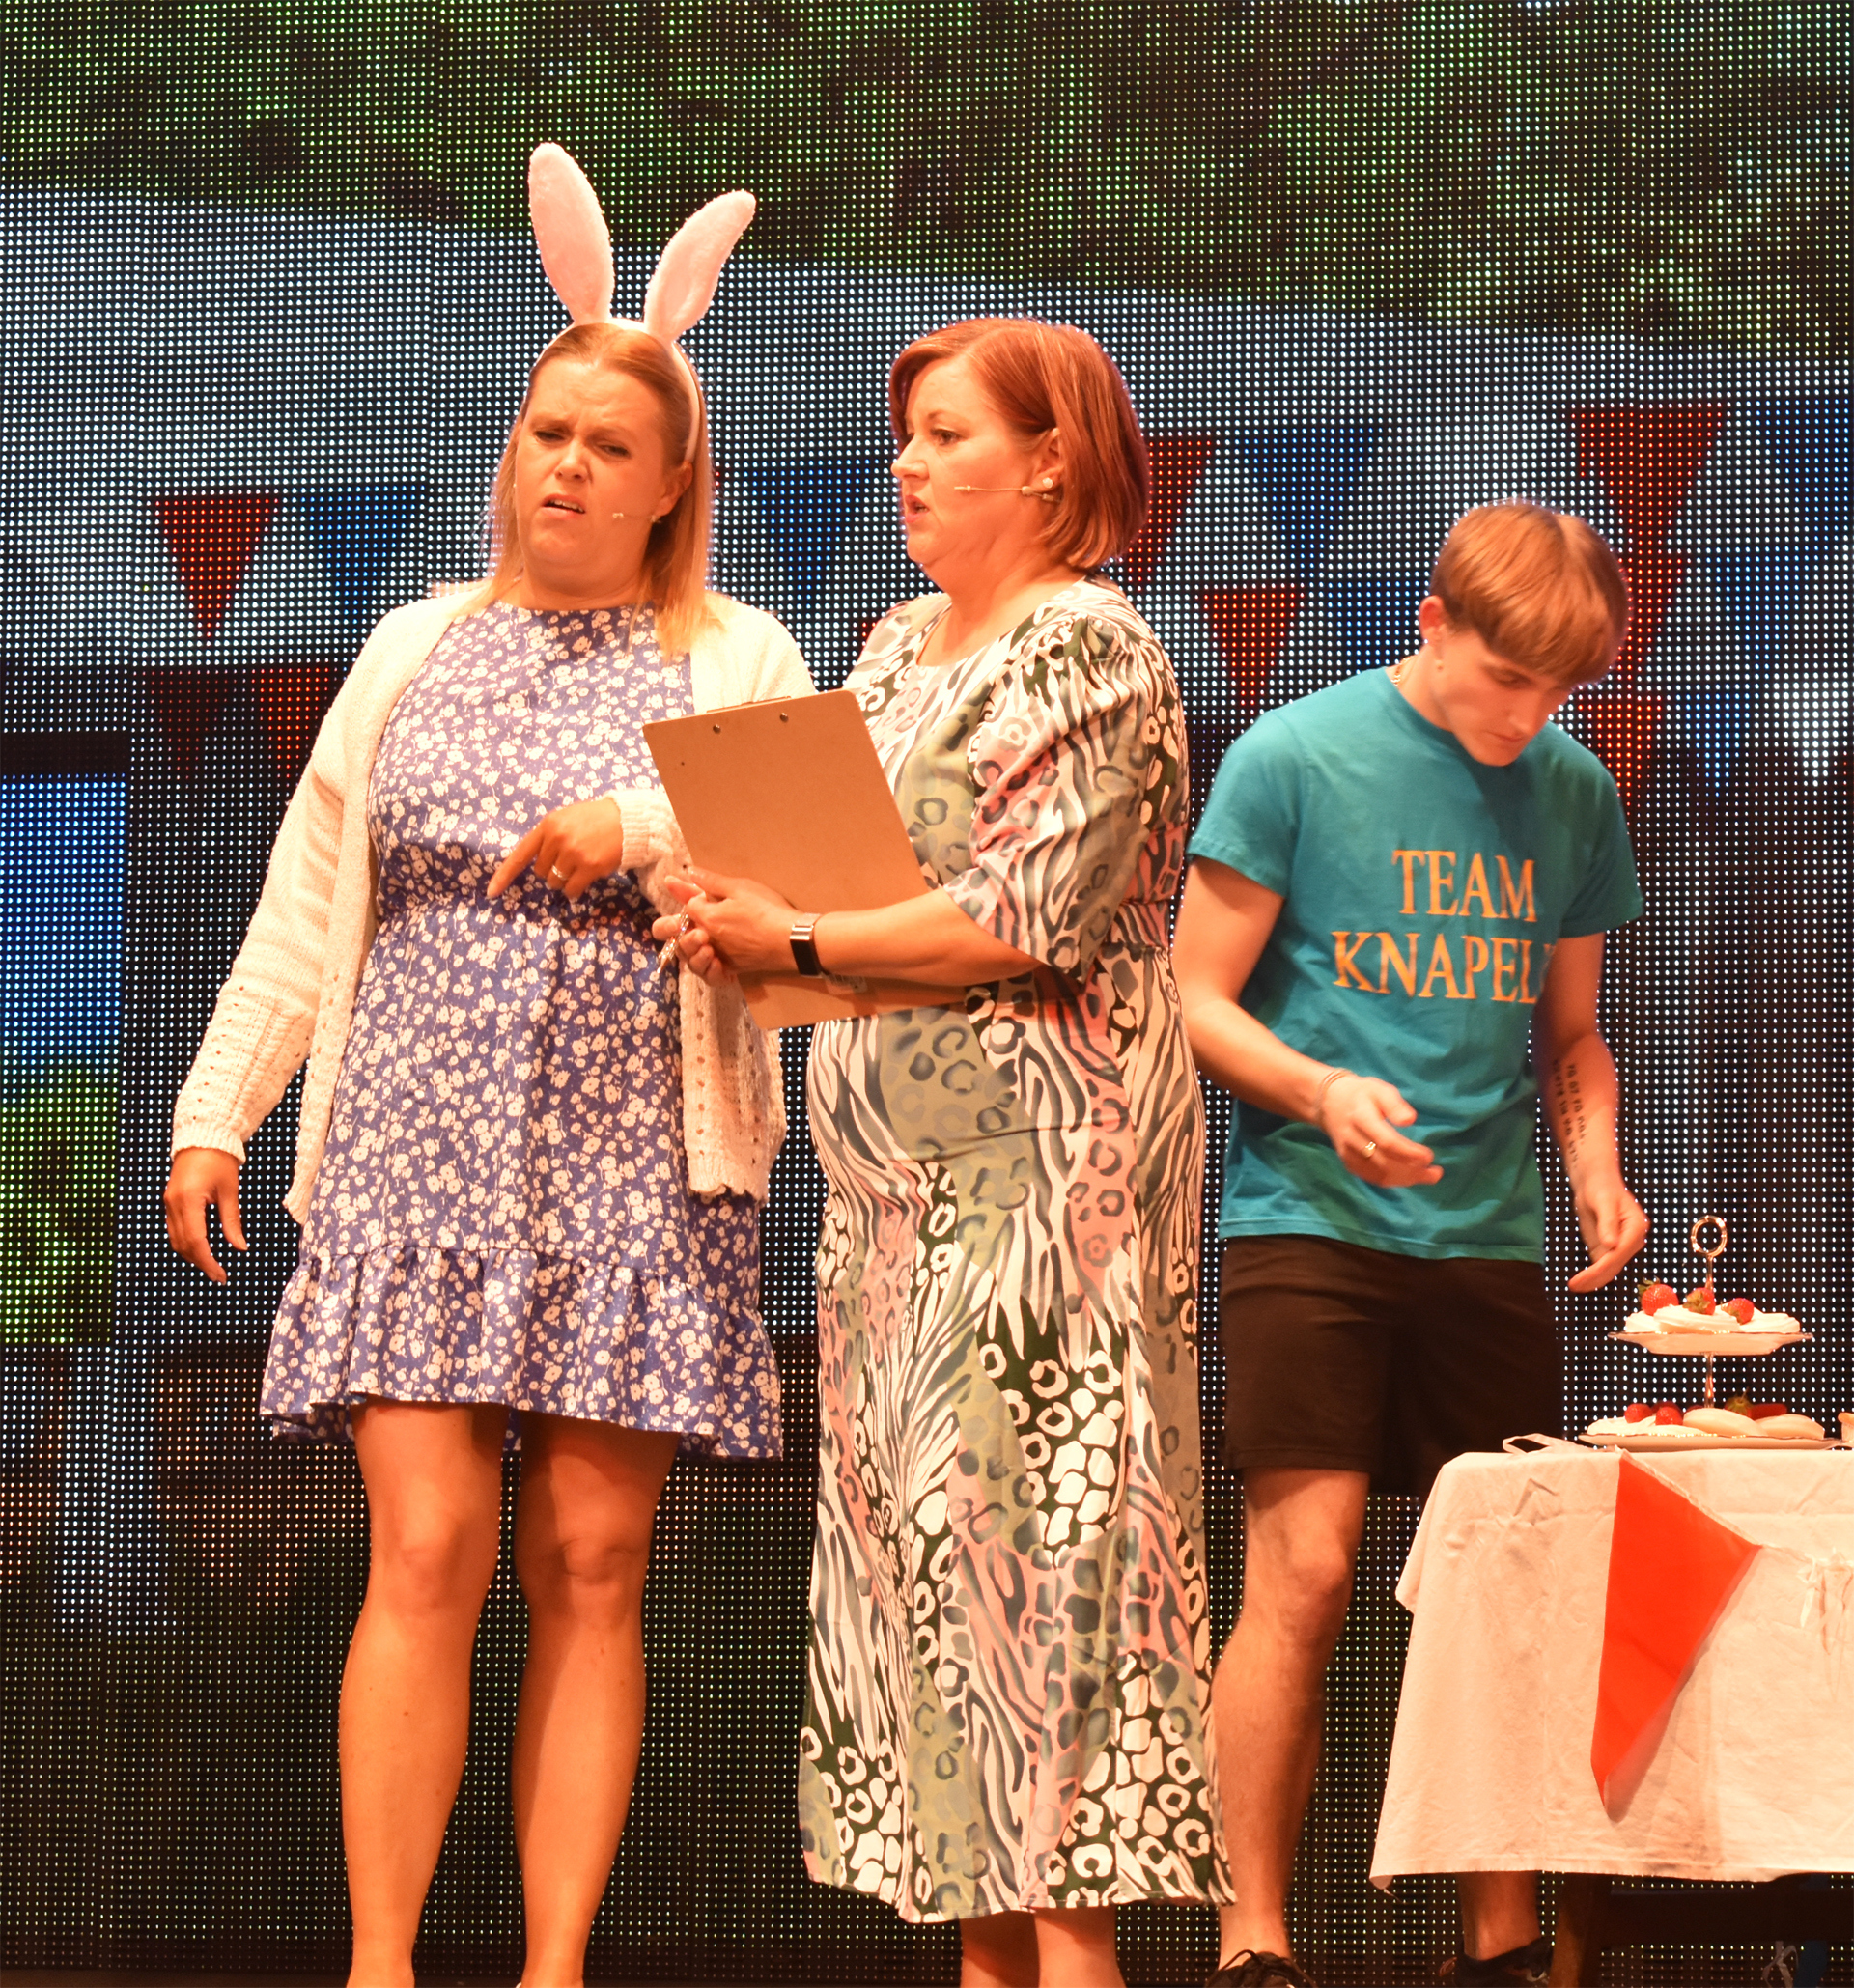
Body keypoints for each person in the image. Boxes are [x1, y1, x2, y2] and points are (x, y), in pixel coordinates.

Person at [162, 154, 811, 1988]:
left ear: (673, 480)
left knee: (591, 1564)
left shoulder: (735, 653)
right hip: (413, 1142)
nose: (567, 468)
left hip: (634, 1157)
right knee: (426, 1547)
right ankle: (382, 1963)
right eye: (549, 433)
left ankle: (553, 1968)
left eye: (611, 446)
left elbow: (819, 908)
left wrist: (650, 822)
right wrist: (219, 1113)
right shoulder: (413, 644)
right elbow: (311, 895)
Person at [661, 317, 1228, 1988]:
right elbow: (841, 874)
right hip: (893, 1215)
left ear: (1051, 461)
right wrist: (738, 909)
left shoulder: (1091, 648)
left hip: (1046, 1204)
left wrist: (800, 936)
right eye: (904, 434)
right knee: (939, 1617)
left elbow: (1023, 914)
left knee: (1042, 1599)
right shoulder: (902, 642)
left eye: (948, 435)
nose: (907, 463)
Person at [1170, 501, 1651, 1988]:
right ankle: (1255, 1938)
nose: (1529, 715)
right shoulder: (1293, 757)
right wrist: (1322, 1090)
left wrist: (1597, 1168)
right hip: (1308, 1217)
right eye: (1507, 678)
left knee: (1497, 1593)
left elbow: (1570, 1034)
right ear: (1433, 624)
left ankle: (1500, 1940)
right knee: (1306, 1571)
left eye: (1558, 690)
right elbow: (1196, 998)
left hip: (1486, 1237)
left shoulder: (1572, 792)